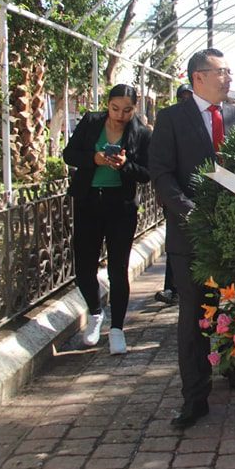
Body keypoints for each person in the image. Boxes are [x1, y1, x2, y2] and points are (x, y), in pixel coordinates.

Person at [149, 48, 235, 430]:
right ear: (198, 77)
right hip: (190, 237)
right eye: (221, 72)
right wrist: (189, 211)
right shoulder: (172, 119)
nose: (227, 78)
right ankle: (195, 397)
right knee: (193, 317)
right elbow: (160, 174)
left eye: (229, 71)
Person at [63, 84, 152, 355]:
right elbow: (69, 154)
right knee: (84, 269)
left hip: (120, 207)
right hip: (88, 203)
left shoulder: (142, 133)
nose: (119, 115)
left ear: (134, 109)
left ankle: (117, 330)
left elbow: (146, 173)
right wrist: (95, 158)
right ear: (107, 104)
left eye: (127, 110)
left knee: (117, 269)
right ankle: (95, 313)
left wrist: (124, 165)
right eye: (115, 108)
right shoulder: (91, 122)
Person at [155, 85, 195, 308]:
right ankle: (172, 287)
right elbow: (160, 167)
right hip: (178, 203)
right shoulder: (170, 119)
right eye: (182, 98)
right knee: (179, 251)